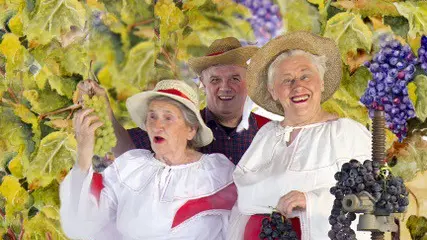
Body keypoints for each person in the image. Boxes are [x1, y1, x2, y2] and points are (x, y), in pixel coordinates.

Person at [227, 31, 372, 239]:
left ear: (321, 83)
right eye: (287, 80)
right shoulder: (266, 136)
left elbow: (374, 198)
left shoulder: (346, 133)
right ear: (273, 92)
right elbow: (243, 202)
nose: (298, 86)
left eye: (305, 76)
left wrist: (312, 200)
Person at [60, 80, 237, 240]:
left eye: (168, 117)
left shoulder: (217, 174)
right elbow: (81, 225)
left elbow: (240, 229)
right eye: (152, 116)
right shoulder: (131, 166)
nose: (156, 125)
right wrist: (84, 151)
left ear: (191, 130)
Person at [80, 36, 269, 165]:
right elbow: (127, 151)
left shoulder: (270, 133)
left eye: (235, 78)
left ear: (249, 82)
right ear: (202, 83)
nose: (225, 87)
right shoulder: (179, 122)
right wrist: (104, 110)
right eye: (215, 80)